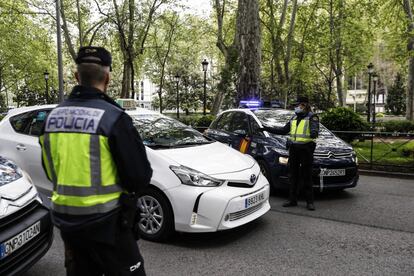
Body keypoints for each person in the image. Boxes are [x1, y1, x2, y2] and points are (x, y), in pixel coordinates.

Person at [39, 46, 152, 275]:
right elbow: (139, 177)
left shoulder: (51, 119)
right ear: (107, 78)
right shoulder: (114, 118)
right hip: (109, 226)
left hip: (69, 226)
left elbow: (51, 171)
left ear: (76, 76)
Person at [262, 96, 319, 211]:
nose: (296, 107)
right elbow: (283, 130)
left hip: (306, 150)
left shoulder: (312, 117)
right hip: (294, 149)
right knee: (293, 175)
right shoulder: (293, 117)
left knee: (307, 176)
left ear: (304, 105)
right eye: (296, 105)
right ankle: (292, 200)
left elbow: (314, 132)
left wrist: (314, 131)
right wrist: (266, 128)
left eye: (298, 105)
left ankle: (310, 202)